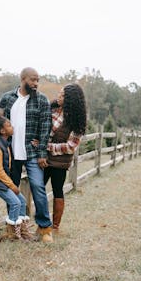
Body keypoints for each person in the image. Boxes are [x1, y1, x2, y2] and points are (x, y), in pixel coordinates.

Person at [0, 67, 53, 242]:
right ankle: (15, 227)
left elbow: (45, 128)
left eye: (38, 80)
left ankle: (45, 228)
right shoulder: (7, 99)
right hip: (11, 152)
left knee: (38, 186)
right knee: (12, 188)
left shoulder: (42, 100)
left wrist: (42, 152)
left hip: (33, 153)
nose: (36, 83)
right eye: (33, 80)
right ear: (23, 79)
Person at [0, 109, 34, 241]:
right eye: (9, 125)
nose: (12, 127)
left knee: (22, 201)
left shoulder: (6, 144)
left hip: (1, 179)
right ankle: (11, 234)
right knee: (15, 203)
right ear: (2, 131)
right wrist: (11, 185)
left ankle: (22, 230)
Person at [44, 83, 87, 231]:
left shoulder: (77, 120)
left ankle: (55, 225)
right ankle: (40, 220)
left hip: (60, 163)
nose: (58, 96)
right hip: (44, 159)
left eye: (62, 95)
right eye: (59, 93)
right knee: (37, 188)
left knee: (57, 190)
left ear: (70, 100)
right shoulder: (52, 109)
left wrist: (47, 147)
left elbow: (70, 146)